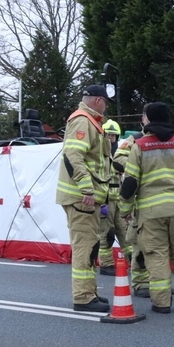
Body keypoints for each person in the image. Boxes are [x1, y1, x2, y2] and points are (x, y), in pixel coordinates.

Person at [119, 102, 174, 314]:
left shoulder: (140, 146)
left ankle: (162, 303)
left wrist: (125, 210)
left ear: (148, 119)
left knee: (156, 255)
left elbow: (130, 183)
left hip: (151, 213)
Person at [55, 85, 111, 312]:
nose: (106, 107)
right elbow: (73, 156)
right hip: (82, 197)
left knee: (91, 246)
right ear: (98, 100)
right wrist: (87, 189)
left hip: (84, 197)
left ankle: (90, 292)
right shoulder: (82, 120)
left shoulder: (90, 121)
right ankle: (83, 297)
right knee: (85, 247)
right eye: (105, 102)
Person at [113, 131, 151, 296]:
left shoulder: (168, 139)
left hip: (157, 203)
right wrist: (140, 164)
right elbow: (118, 160)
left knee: (160, 248)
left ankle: (157, 284)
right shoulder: (135, 138)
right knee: (139, 244)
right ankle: (141, 284)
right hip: (140, 201)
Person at [97, 119, 129, 277]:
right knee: (106, 233)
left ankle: (133, 261)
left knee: (125, 232)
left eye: (113, 136)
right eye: (108, 135)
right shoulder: (99, 154)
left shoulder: (119, 154)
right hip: (106, 200)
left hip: (119, 201)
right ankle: (106, 264)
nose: (111, 138)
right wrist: (101, 202)